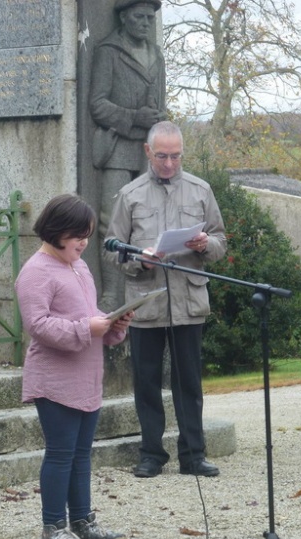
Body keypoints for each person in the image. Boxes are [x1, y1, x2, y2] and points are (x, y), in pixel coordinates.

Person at [105, 120, 226, 478]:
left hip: (188, 302)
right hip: (146, 302)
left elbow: (220, 241)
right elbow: (113, 250)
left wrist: (206, 245)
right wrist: (139, 260)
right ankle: (151, 455)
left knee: (189, 382)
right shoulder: (130, 195)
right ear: (148, 152)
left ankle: (193, 454)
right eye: (162, 156)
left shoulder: (201, 190)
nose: (170, 164)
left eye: (176, 156)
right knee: (146, 382)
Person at [15, 194, 132, 539]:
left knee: (82, 454)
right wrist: (88, 328)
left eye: (87, 234)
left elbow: (89, 314)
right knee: (61, 453)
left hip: (87, 376)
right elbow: (38, 325)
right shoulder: (35, 271)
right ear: (55, 231)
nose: (83, 241)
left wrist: (113, 325)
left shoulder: (78, 267)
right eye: (77, 234)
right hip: (54, 380)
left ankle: (83, 520)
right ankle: (53, 526)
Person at [90, 0, 167, 311]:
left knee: (149, 221)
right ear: (124, 17)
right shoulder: (108, 51)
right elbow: (97, 104)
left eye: (150, 17)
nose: (146, 23)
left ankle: (143, 287)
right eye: (139, 17)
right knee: (112, 224)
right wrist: (135, 116)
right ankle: (111, 292)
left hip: (147, 151)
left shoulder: (156, 54)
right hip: (117, 148)